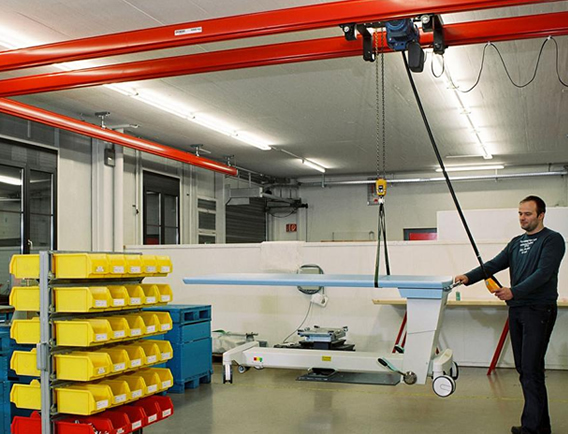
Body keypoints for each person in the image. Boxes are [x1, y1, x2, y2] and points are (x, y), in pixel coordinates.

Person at [454, 196, 565, 434]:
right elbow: (493, 265)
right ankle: (540, 425)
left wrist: (514, 291)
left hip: (539, 309)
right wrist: (469, 276)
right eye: (520, 214)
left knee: (531, 368)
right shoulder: (516, 242)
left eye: (528, 214)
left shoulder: (552, 240)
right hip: (517, 309)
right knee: (524, 368)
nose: (522, 218)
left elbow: (544, 273)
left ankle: (532, 427)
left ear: (541, 215)